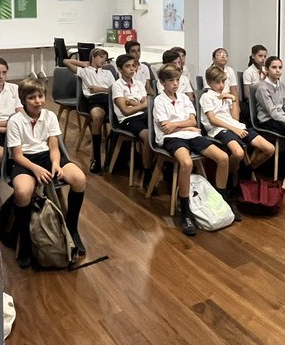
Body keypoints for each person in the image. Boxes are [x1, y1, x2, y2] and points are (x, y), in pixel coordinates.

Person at [5, 78, 89, 267]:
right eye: (32, 97)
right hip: (26, 160)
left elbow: (54, 147)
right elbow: (17, 155)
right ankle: (25, 240)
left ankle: (72, 228)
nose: (37, 101)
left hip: (47, 157)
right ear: (23, 100)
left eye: (40, 96)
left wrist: (56, 164)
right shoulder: (15, 121)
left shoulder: (49, 116)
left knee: (79, 179)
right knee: (23, 191)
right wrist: (36, 170)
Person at [152, 64, 228, 236]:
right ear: (162, 82)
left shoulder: (184, 98)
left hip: (190, 135)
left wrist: (179, 125)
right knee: (186, 163)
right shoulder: (159, 100)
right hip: (171, 139)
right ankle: (185, 212)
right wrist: (185, 126)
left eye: (177, 80)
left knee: (223, 158)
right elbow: (165, 128)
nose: (175, 84)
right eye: (171, 80)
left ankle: (221, 201)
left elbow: (193, 121)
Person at [199, 64, 273, 203]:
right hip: (219, 130)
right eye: (217, 82)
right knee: (238, 153)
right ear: (209, 83)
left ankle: (246, 171)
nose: (221, 85)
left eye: (223, 82)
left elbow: (235, 119)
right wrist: (234, 130)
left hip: (235, 126)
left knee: (269, 149)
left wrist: (233, 100)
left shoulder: (226, 95)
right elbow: (213, 120)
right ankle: (229, 178)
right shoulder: (206, 97)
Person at [110, 54, 155, 186]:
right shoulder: (117, 86)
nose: (132, 69)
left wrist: (133, 103)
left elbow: (146, 105)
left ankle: (161, 165)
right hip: (127, 120)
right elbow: (125, 111)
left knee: (160, 128)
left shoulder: (139, 84)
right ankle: (148, 172)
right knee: (147, 135)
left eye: (133, 66)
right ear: (119, 69)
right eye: (127, 66)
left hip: (142, 115)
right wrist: (139, 105)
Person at [78, 48, 114, 173]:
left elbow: (114, 89)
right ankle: (97, 159)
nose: (103, 60)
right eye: (101, 57)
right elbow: (66, 61)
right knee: (97, 116)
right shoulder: (85, 71)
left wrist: (100, 89)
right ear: (93, 57)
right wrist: (83, 63)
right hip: (95, 100)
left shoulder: (108, 73)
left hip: (109, 98)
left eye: (105, 57)